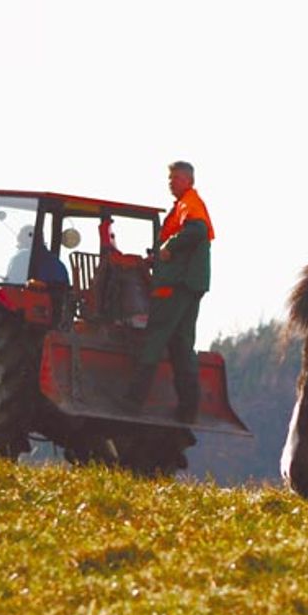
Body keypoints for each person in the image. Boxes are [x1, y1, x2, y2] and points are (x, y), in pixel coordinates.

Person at [123, 160, 214, 423]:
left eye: (175, 178)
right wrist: (157, 259)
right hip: (191, 286)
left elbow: (197, 230)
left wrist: (169, 248)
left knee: (155, 338)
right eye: (169, 178)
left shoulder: (189, 204)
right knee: (182, 345)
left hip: (174, 287)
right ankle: (188, 410)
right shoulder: (185, 206)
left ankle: (132, 401)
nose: (171, 182)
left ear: (189, 180)